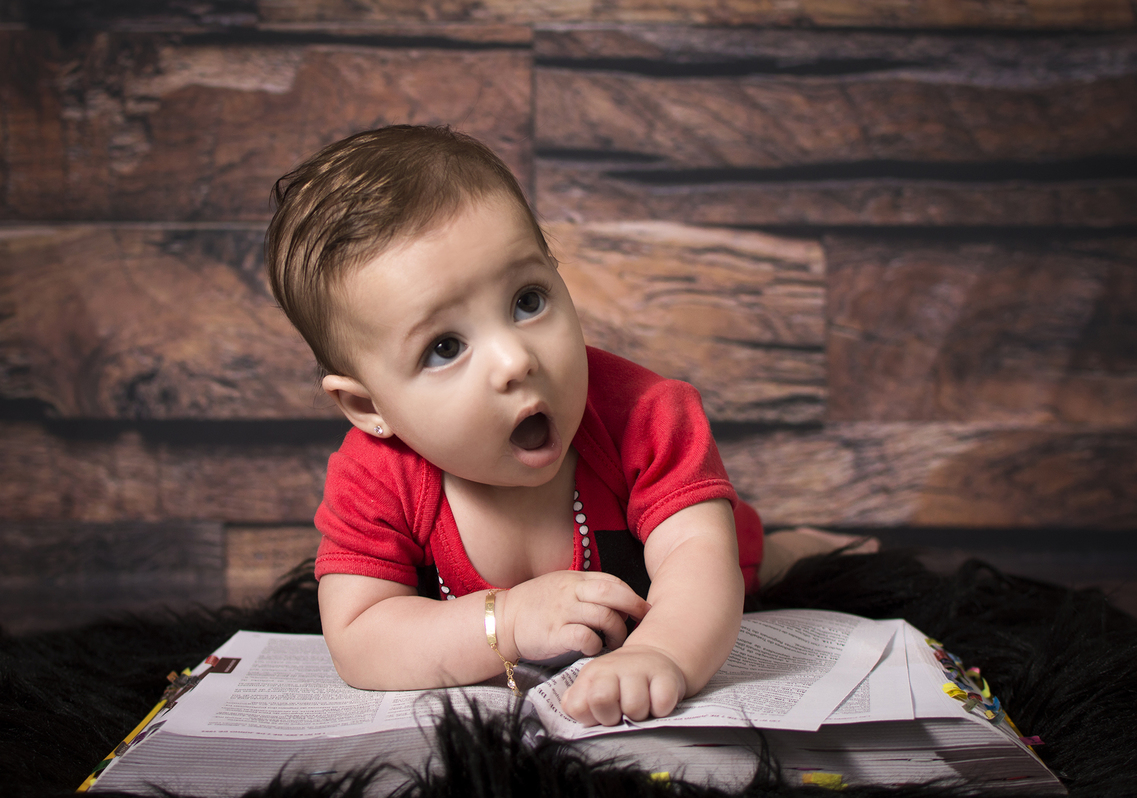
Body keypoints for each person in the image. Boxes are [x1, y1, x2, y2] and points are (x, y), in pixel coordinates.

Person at [265, 125, 874, 727]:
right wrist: (506, 622)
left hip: (694, 557)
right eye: (446, 346)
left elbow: (696, 559)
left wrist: (658, 654)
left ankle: (812, 544)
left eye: (527, 300)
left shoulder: (643, 413)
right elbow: (359, 635)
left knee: (763, 558)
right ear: (370, 408)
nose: (515, 360)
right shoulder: (375, 479)